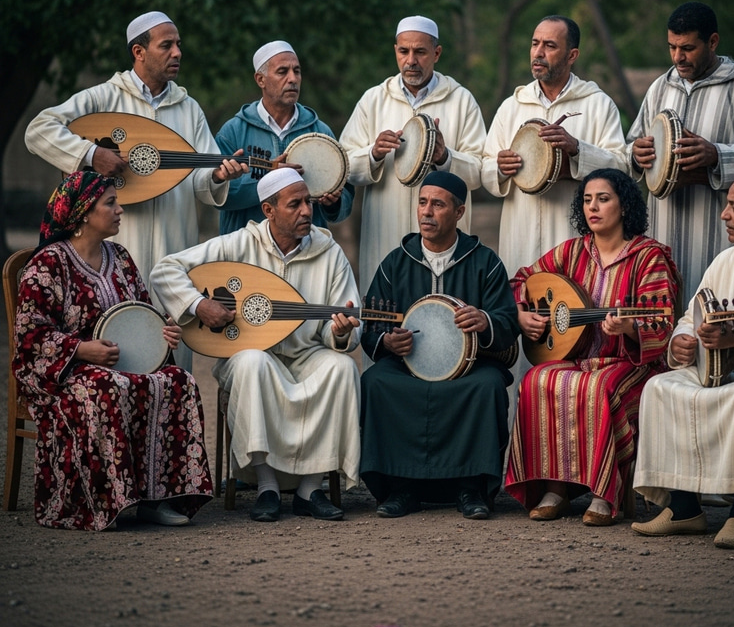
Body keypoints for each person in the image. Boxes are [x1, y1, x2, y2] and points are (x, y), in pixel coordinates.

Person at [25, 11, 247, 369]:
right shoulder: (104, 97)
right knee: (120, 350)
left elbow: (201, 182)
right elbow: (38, 130)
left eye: (179, 45)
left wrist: (219, 176)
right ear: (138, 52)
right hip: (117, 245)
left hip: (175, 243)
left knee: (171, 356)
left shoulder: (188, 109)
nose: (177, 53)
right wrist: (91, 154)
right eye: (166, 45)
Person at [149, 168, 362, 523]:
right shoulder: (239, 244)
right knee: (253, 361)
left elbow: (340, 326)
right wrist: (198, 305)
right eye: (295, 204)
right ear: (268, 210)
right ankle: (267, 487)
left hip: (306, 354)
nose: (307, 211)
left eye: (308, 202)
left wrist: (339, 332)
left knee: (342, 368)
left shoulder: (329, 252)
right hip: (250, 353)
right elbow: (165, 270)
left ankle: (310, 489)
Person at [12, 171, 213, 531]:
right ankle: (105, 502)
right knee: (105, 387)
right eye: (110, 203)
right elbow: (30, 336)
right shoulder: (47, 265)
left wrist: (162, 331)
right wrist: (81, 349)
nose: (120, 209)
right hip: (65, 371)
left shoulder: (119, 257)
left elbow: (142, 313)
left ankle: (157, 499)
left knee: (178, 380)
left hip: (121, 365)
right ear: (84, 213)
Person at [631, 168, 734, 549]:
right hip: (725, 373)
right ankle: (683, 509)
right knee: (659, 387)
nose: (724, 214)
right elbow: (691, 316)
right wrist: (682, 341)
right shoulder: (726, 261)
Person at [505, 168, 679, 526]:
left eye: (603, 199)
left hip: (630, 365)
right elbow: (521, 279)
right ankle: (555, 489)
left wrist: (630, 328)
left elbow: (661, 321)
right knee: (537, 379)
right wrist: (522, 314)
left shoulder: (648, 256)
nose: (593, 208)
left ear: (624, 206)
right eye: (587, 200)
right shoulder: (572, 251)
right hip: (577, 357)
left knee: (600, 388)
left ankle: (604, 492)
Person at [359, 171, 519, 519]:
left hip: (470, 367)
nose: (426, 212)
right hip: (407, 366)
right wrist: (387, 341)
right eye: (422, 202)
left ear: (459, 212)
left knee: (488, 385)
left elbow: (507, 321)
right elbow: (371, 325)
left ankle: (471, 488)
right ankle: (401, 488)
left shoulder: (484, 261)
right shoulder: (396, 262)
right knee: (376, 381)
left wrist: (484, 321)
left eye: (437, 204)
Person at [627, 1, 734, 302]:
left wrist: (716, 155)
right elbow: (633, 143)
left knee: (712, 314)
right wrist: (636, 153)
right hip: (662, 230)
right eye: (672, 47)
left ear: (712, 42)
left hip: (717, 239)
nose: (677, 57)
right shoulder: (659, 88)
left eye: (687, 48)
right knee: (664, 314)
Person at [339, 15, 485, 290]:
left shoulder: (461, 100)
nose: (411, 60)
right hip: (385, 232)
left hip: (444, 241)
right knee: (385, 306)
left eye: (420, 52)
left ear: (436, 53)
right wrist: (373, 154)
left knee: (442, 304)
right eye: (404, 51)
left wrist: (444, 157)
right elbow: (342, 165)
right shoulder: (374, 99)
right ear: (395, 50)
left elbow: (479, 173)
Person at [481, 15, 628, 283]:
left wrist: (577, 149)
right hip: (520, 234)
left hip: (573, 237)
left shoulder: (597, 104)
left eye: (549, 45)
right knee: (521, 299)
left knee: (573, 301)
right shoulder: (512, 106)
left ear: (572, 55)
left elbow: (621, 167)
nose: (538, 52)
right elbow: (486, 168)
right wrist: (500, 168)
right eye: (535, 43)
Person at [214, 40, 354, 234]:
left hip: (306, 247)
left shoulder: (320, 132)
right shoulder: (233, 132)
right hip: (247, 248)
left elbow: (345, 200)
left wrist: (334, 203)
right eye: (282, 72)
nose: (293, 79)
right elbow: (218, 196)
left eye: (297, 71)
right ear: (260, 79)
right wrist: (271, 181)